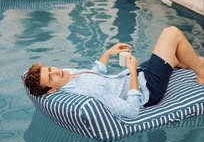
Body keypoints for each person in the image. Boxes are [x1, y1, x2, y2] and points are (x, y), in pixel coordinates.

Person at [24, 26, 204, 119]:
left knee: (176, 57)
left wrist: (108, 53)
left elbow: (94, 74)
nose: (56, 71)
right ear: (52, 90)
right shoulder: (89, 91)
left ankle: (191, 64)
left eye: (50, 69)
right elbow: (132, 111)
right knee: (171, 33)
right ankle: (202, 73)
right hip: (148, 89)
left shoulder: (67, 75)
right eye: (50, 77)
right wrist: (132, 72)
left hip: (139, 74)